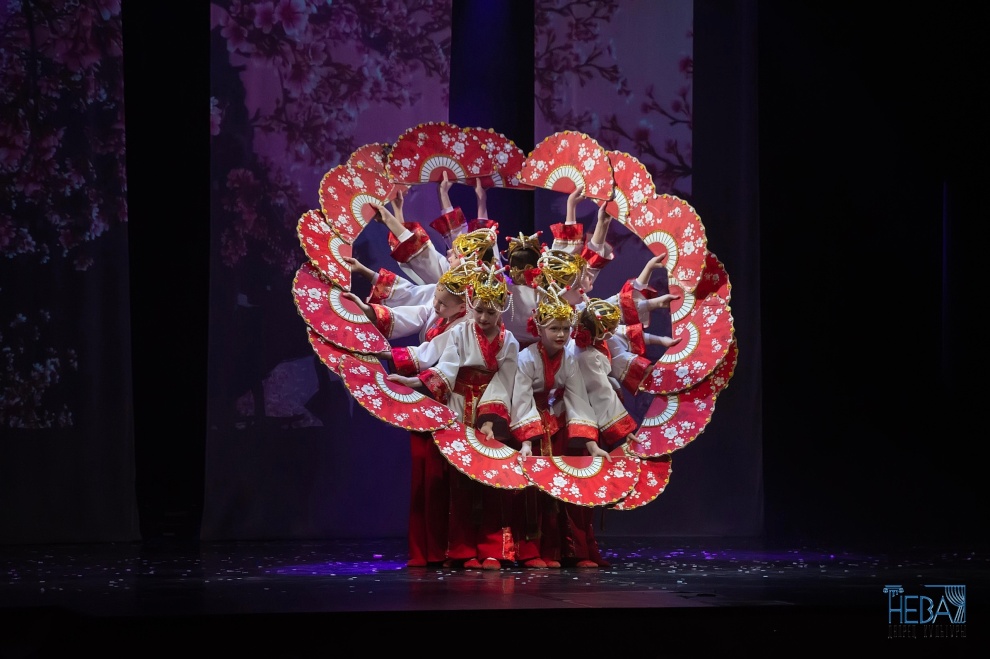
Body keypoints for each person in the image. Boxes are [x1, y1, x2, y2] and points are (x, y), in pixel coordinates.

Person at [385, 266, 534, 570]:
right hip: (456, 406)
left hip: (491, 410)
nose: (483, 318)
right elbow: (447, 369)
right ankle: (460, 550)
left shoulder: (509, 342)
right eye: (478, 310)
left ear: (501, 310)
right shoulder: (460, 331)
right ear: (470, 306)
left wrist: (489, 419)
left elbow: (504, 381)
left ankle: (492, 550)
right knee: (457, 480)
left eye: (490, 312)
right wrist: (413, 382)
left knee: (490, 479)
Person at [342, 262, 480, 568]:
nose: (436, 306)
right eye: (437, 299)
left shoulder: (465, 326)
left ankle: (458, 550)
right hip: (428, 393)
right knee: (426, 476)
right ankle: (427, 550)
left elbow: (430, 353)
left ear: (463, 305)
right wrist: (367, 309)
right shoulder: (440, 309)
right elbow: (412, 310)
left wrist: (386, 356)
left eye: (443, 303)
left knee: (452, 478)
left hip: (454, 401)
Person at [510, 285, 603, 568]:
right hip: (531, 430)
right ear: (539, 329)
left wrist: (592, 444)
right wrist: (527, 441)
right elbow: (521, 399)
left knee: (563, 486)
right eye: (554, 329)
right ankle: (530, 551)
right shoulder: (526, 358)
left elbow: (578, 398)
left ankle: (563, 551)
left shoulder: (570, 359)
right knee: (533, 492)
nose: (561, 334)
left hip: (557, 424)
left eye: (565, 328)